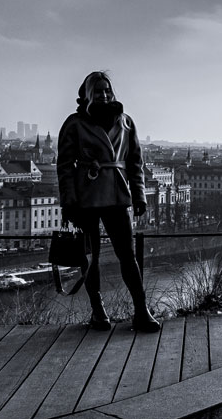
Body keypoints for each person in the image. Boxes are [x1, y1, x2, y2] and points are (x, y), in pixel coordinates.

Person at [58, 71, 161, 332]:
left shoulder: (126, 122)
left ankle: (142, 311)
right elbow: (65, 166)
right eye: (98, 90)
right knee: (90, 258)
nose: (104, 94)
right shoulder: (74, 123)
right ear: (88, 94)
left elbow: (135, 162)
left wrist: (139, 195)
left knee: (127, 256)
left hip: (117, 194)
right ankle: (98, 311)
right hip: (86, 196)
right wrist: (69, 202)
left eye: (107, 90)